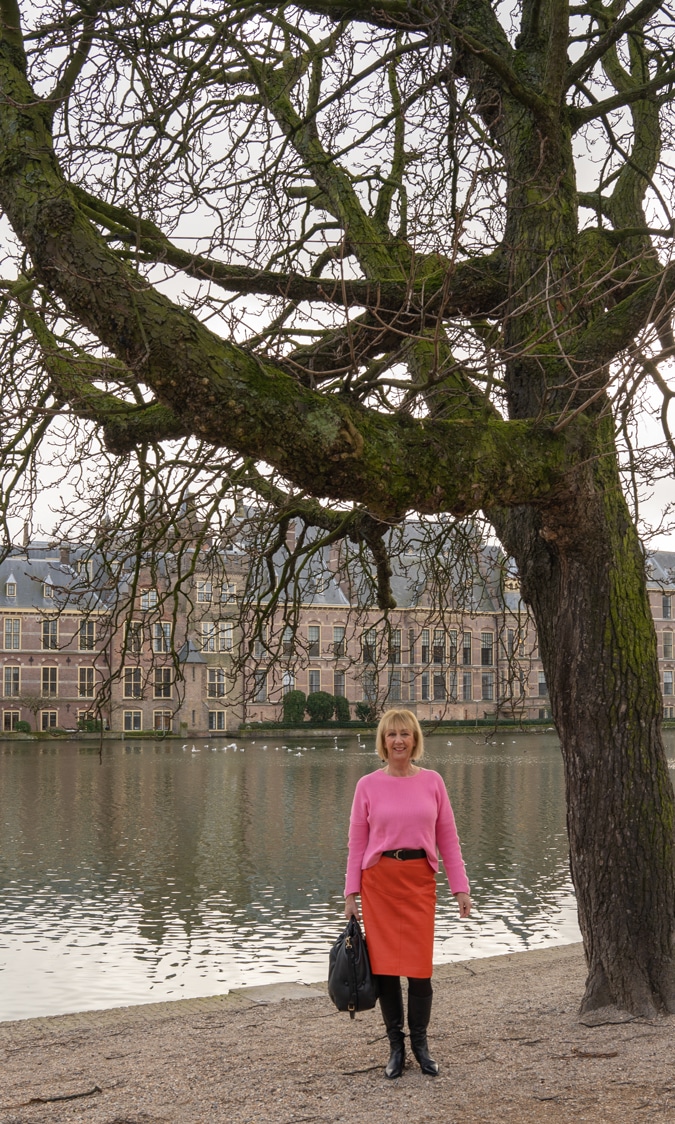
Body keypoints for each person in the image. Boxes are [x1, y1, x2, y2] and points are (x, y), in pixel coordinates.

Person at [344, 708, 471, 1079]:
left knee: (419, 970)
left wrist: (460, 887)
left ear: (415, 740)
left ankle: (420, 1044)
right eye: (391, 734)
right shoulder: (367, 785)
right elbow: (356, 843)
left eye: (405, 734)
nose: (398, 740)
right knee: (385, 971)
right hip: (379, 883)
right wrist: (351, 894)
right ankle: (395, 1047)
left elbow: (448, 838)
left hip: (419, 881)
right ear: (383, 742)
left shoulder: (433, 782)